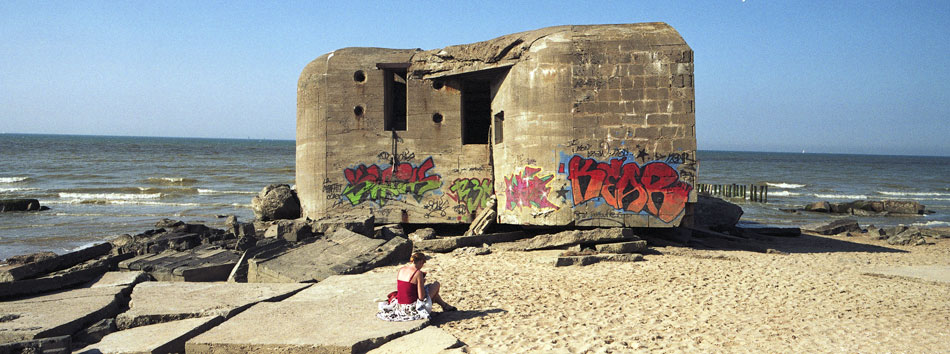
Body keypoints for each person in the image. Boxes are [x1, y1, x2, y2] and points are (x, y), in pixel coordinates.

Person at [377, 252, 456, 321]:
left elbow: (407, 287)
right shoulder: (418, 273)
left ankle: (445, 306)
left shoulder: (402, 269)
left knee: (430, 288)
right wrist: (421, 283)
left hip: (400, 306)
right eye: (423, 263)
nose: (422, 266)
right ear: (421, 262)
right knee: (436, 285)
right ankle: (445, 306)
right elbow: (421, 297)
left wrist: (420, 283)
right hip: (411, 308)